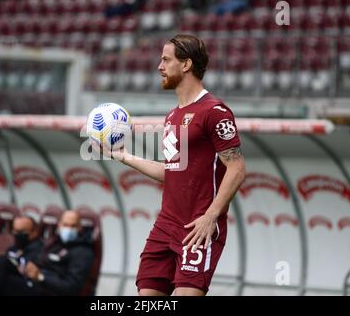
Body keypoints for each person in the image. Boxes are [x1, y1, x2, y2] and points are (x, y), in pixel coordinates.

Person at [96, 34, 246, 296]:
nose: (159, 66)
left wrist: (211, 216)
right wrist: (122, 155)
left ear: (186, 64)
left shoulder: (215, 111)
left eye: (166, 60)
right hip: (165, 226)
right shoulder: (173, 115)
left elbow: (237, 168)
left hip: (196, 229)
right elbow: (172, 172)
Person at [0, 210, 94, 296]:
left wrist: (40, 277)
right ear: (59, 225)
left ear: (80, 228)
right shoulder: (53, 244)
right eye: (65, 225)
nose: (68, 229)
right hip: (32, 283)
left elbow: (71, 287)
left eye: (73, 226)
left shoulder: (83, 252)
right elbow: (38, 262)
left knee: (0, 282)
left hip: (48, 290)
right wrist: (27, 268)